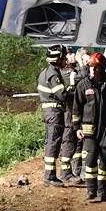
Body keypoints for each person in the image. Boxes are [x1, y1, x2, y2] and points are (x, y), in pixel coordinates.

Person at [72, 52, 106, 201]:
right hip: (89, 131)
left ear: (102, 68)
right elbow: (76, 108)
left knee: (105, 161)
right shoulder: (83, 85)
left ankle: (103, 192)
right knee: (90, 162)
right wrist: (77, 127)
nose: (93, 70)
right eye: (91, 67)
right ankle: (91, 191)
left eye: (96, 67)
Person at [37, 44, 70, 187]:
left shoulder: (47, 72)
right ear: (58, 59)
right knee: (53, 143)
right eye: (64, 58)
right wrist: (77, 94)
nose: (66, 60)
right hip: (54, 113)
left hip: (52, 112)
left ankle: (50, 175)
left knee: (52, 142)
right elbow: (62, 95)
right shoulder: (53, 74)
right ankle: (49, 176)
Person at [58, 47, 86, 184]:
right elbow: (83, 78)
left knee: (76, 142)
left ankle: (75, 170)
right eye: (69, 54)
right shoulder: (65, 73)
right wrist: (81, 61)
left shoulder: (71, 72)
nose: (72, 55)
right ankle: (65, 173)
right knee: (68, 141)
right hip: (68, 113)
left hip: (75, 112)